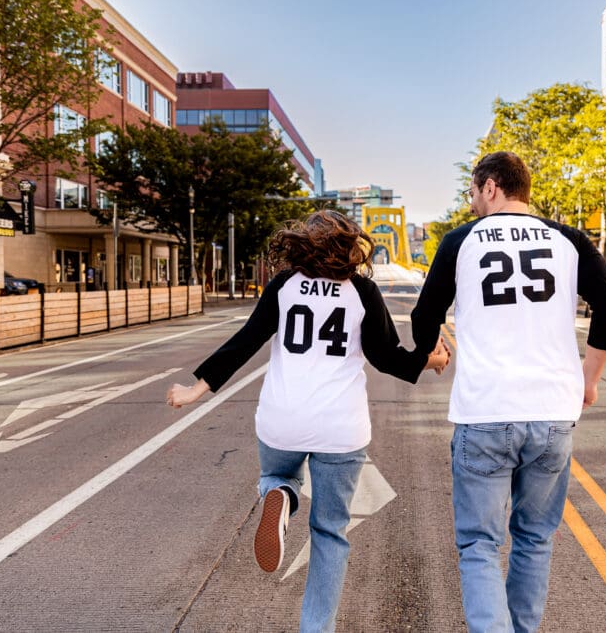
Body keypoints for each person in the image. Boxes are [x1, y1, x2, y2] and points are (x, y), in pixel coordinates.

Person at [166, 210, 449, 632]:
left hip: (282, 419)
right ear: (350, 247)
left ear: (302, 243)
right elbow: (386, 356)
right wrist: (431, 360)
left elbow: (246, 341)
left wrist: (196, 389)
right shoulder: (363, 292)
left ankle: (280, 493)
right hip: (340, 428)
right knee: (331, 534)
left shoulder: (283, 286)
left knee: (276, 476)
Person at [410, 151, 606, 632]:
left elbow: (423, 316)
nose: (470, 203)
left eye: (472, 191)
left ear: (491, 187)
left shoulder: (460, 242)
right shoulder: (567, 239)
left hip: (485, 411)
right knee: (534, 539)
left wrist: (436, 350)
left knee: (480, 546)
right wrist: (589, 379)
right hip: (551, 413)